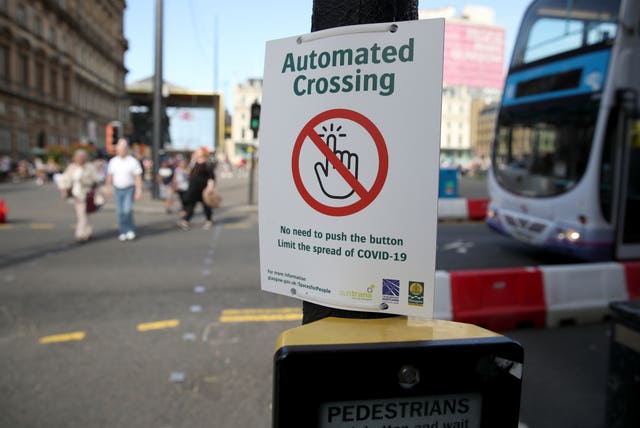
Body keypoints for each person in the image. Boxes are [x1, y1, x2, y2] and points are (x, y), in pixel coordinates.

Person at [104, 139, 143, 241]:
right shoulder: (113, 161)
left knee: (127, 210)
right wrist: (107, 187)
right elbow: (110, 176)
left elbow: (138, 176)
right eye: (119, 148)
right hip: (117, 189)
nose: (121, 151)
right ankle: (123, 230)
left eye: (123, 149)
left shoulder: (132, 161)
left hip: (129, 189)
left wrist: (139, 190)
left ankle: (130, 230)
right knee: (120, 212)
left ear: (126, 149)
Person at [58, 149, 100, 242]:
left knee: (83, 214)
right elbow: (65, 179)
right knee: (82, 214)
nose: (79, 159)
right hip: (75, 194)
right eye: (78, 157)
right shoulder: (72, 167)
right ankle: (86, 232)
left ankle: (80, 233)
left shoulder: (90, 167)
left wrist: (85, 181)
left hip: (87, 194)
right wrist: (63, 188)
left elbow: (96, 179)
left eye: (81, 157)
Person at [179, 147, 215, 231]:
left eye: (198, 152)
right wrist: (192, 161)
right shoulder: (194, 163)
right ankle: (185, 221)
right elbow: (188, 172)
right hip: (193, 189)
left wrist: (210, 188)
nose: (196, 153)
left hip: (203, 189)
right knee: (190, 205)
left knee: (206, 206)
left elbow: (211, 177)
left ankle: (209, 221)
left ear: (203, 153)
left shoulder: (207, 164)